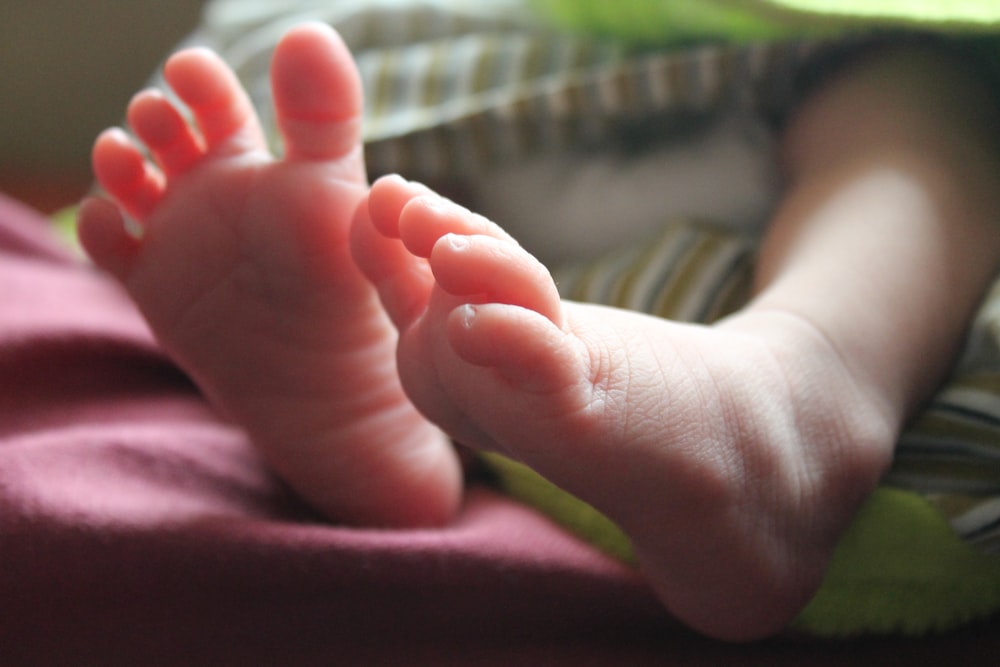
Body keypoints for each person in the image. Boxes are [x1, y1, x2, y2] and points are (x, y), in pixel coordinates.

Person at [76, 21, 1000, 640]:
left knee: (917, 93)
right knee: (915, 114)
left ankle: (801, 383)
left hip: (750, 119)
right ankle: (392, 382)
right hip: (541, 135)